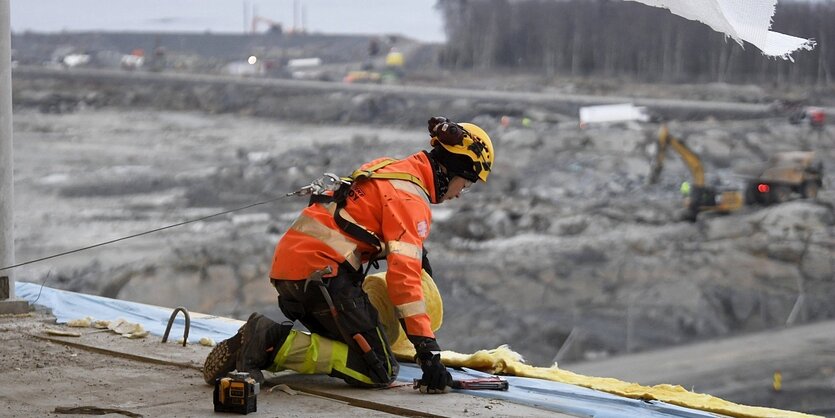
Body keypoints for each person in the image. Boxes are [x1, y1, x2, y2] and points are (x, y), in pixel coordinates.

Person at [204, 117, 494, 394]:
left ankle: (258, 345)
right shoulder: (410, 199)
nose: (459, 194)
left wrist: (412, 249)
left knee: (352, 347)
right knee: (378, 370)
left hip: (293, 270)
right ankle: (271, 343)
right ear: (454, 169)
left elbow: (359, 222)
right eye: (465, 185)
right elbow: (404, 282)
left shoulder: (391, 168)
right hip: (324, 278)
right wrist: (428, 352)